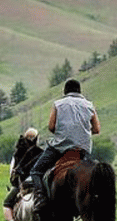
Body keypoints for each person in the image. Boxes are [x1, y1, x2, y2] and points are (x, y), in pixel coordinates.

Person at [28, 79, 101, 210]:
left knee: (36, 171)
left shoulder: (58, 104)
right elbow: (96, 129)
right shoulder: (90, 105)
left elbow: (51, 127)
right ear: (80, 91)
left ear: (65, 91)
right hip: (82, 149)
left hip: (60, 147)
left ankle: (40, 198)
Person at [3, 127, 43, 221]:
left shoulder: (18, 153)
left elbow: (12, 173)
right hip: (39, 185)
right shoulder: (42, 152)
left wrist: (14, 181)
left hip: (22, 186)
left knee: (6, 203)